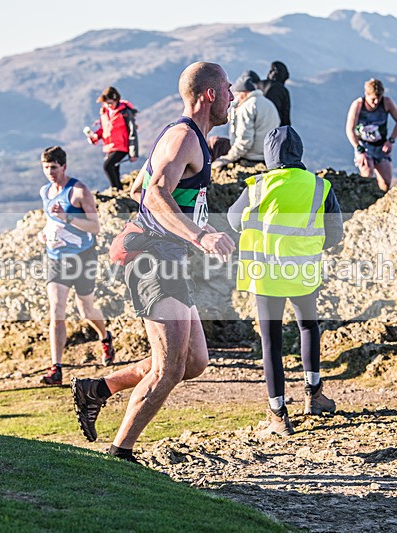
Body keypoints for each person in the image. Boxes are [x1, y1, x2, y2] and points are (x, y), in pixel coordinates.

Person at [72, 62, 237, 463]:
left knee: (193, 361)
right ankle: (120, 454)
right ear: (211, 94)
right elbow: (155, 194)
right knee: (168, 368)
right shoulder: (184, 137)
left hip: (169, 257)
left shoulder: (186, 137)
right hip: (152, 258)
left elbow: (136, 185)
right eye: (228, 90)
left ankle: (98, 389)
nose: (233, 97)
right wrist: (200, 234)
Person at [227, 126, 344, 436]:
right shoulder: (320, 186)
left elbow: (233, 220)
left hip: (265, 276)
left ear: (268, 156)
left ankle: (279, 413)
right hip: (304, 272)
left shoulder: (257, 187)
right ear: (299, 153)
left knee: (271, 343)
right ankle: (313, 395)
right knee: (308, 327)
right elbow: (335, 234)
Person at [38, 146, 115, 386]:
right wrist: (45, 233)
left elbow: (95, 227)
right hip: (56, 258)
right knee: (56, 309)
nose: (50, 172)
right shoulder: (46, 191)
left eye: (54, 167)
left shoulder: (79, 191)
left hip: (83, 257)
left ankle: (105, 337)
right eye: (46, 167)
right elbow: (51, 220)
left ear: (64, 166)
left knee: (86, 310)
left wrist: (68, 218)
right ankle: (56, 368)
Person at [346, 78, 397, 192]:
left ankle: (381, 203)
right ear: (366, 95)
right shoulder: (358, 105)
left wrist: (391, 140)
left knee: (386, 181)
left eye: (379, 98)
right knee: (367, 175)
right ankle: (366, 203)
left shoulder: (386, 103)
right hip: (363, 146)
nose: (376, 102)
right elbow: (349, 129)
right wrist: (358, 149)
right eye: (373, 99)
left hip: (380, 146)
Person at [211, 75, 279, 170]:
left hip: (252, 155)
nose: (235, 98)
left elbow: (245, 140)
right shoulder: (268, 103)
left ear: (244, 93)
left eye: (237, 94)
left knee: (213, 142)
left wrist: (227, 159)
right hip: (266, 154)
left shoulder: (246, 107)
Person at [85, 87, 138, 190]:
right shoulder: (105, 112)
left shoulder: (125, 112)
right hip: (109, 147)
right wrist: (95, 136)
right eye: (106, 103)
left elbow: (132, 132)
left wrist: (133, 153)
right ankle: (119, 190)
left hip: (122, 146)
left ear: (116, 100)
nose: (109, 105)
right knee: (114, 168)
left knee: (107, 166)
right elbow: (104, 129)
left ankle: (115, 188)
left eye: (111, 103)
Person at [256, 61, 292, 127]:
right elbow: (285, 115)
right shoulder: (282, 90)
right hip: (274, 128)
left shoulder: (258, 85)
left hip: (257, 125)